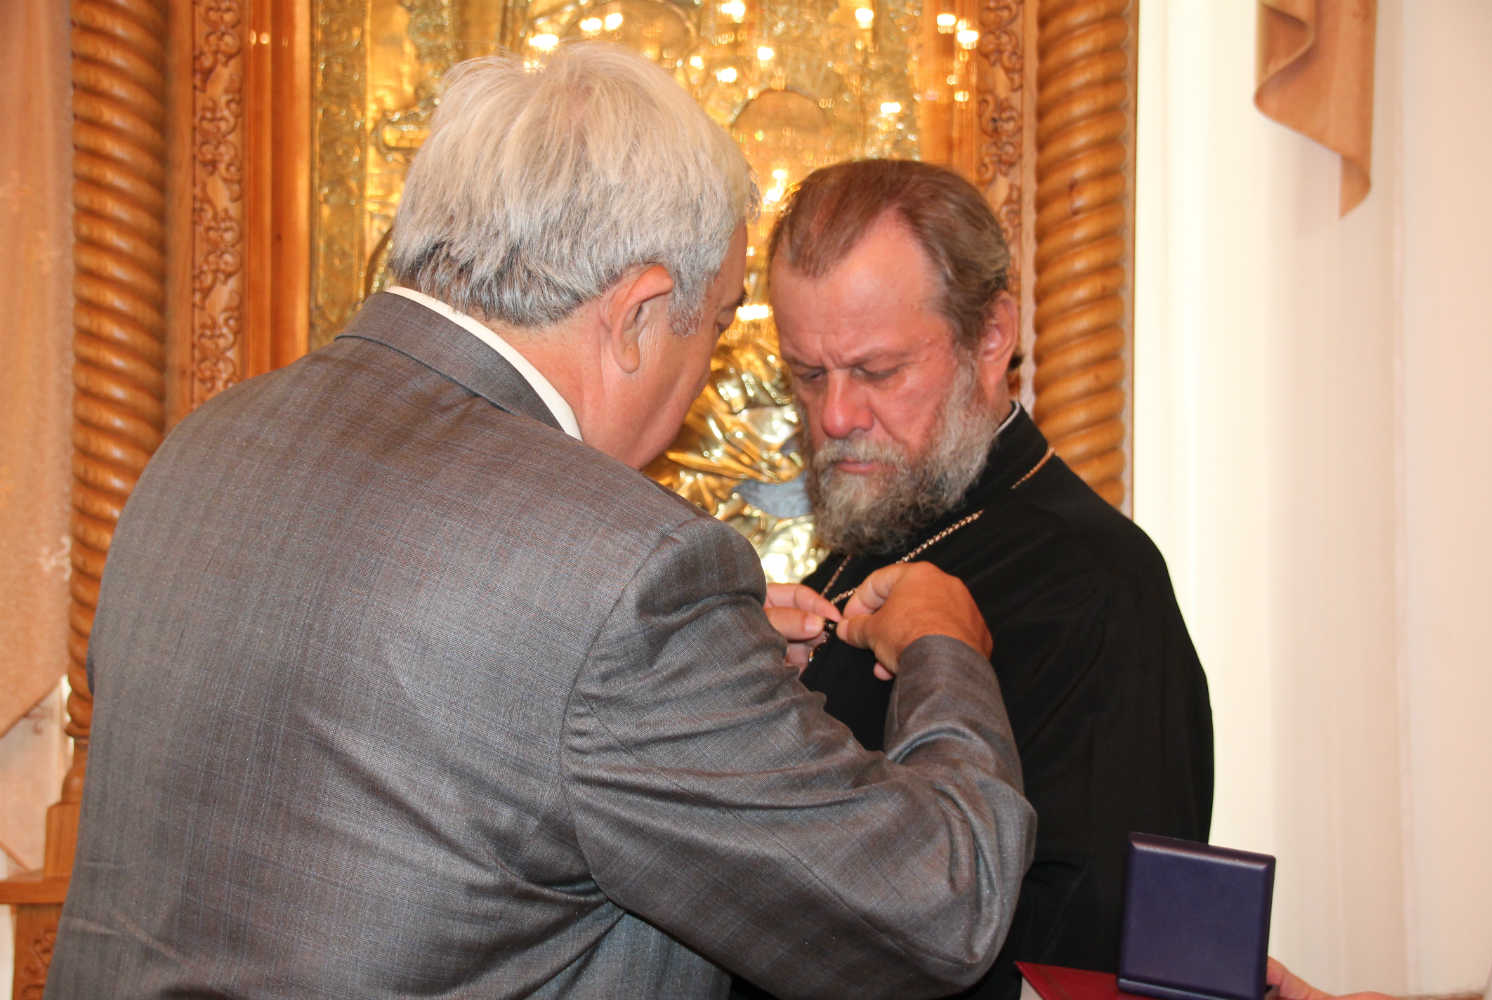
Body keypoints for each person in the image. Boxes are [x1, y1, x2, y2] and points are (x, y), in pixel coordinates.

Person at [44, 50, 1036, 999]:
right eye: (718, 323)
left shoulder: (203, 450)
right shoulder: (623, 575)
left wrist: (707, 678)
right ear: (641, 313)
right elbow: (940, 910)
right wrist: (943, 649)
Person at [752, 159, 1214, 999]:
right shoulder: (854, 558)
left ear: (991, 337)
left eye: (877, 371)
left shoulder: (1095, 585)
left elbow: (1086, 960)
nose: (836, 416)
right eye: (808, 374)